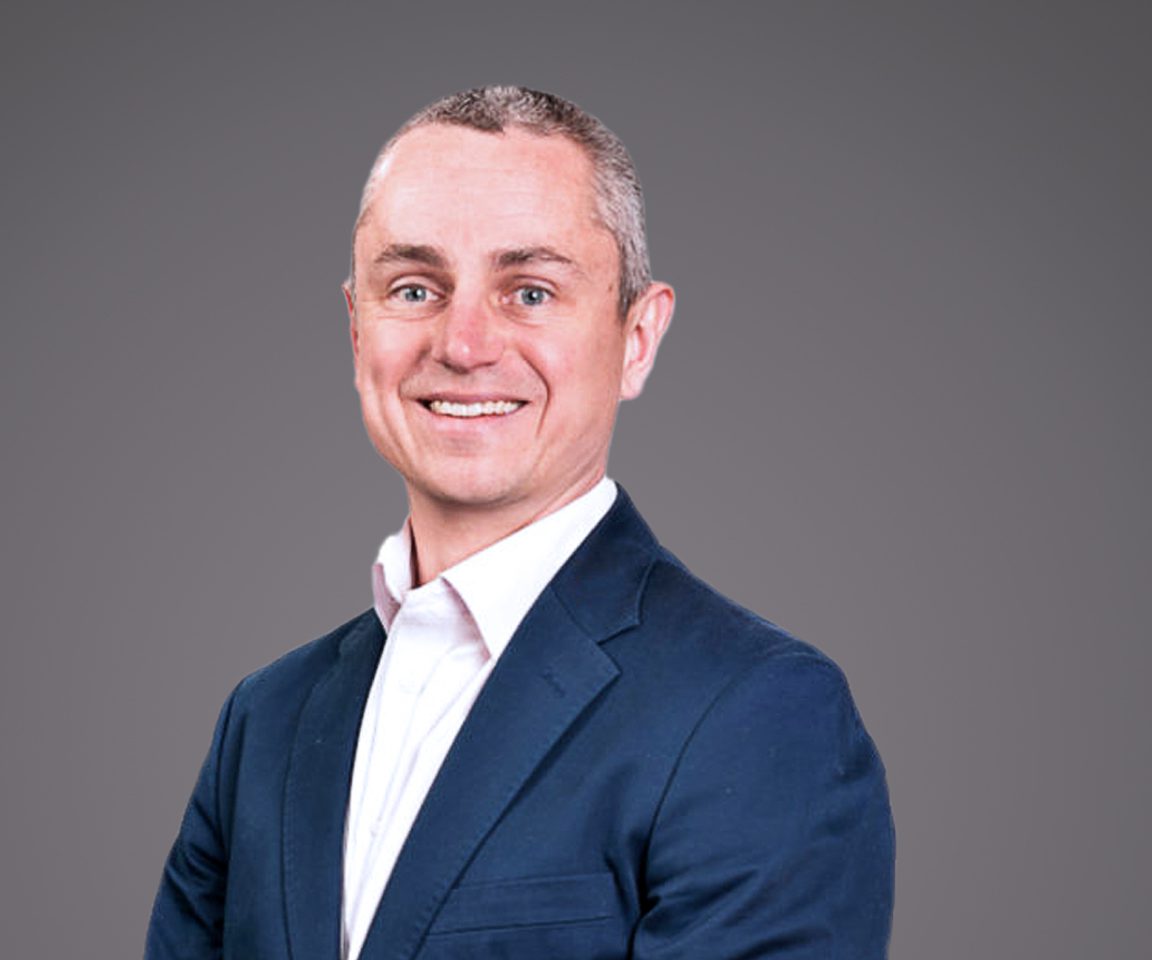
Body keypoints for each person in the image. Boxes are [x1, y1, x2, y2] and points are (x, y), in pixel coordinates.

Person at [145, 85, 894, 960]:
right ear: (356, 330)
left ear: (638, 338)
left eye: (530, 292)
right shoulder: (266, 720)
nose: (463, 345)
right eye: (414, 288)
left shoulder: (759, 715)